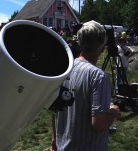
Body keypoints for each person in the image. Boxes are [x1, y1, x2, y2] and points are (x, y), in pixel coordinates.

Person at [51, 20, 121, 151]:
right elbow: (98, 125)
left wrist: (54, 140)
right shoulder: (98, 76)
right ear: (102, 45)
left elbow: (55, 110)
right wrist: (113, 112)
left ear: (79, 41)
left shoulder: (64, 69)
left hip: (62, 146)